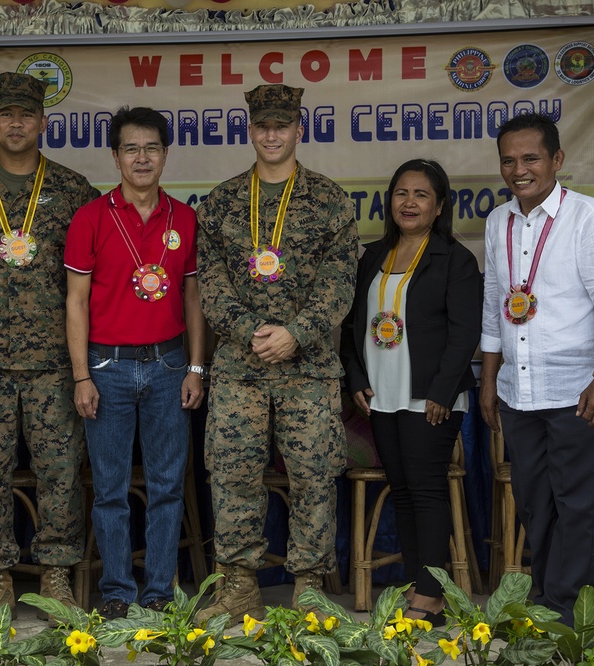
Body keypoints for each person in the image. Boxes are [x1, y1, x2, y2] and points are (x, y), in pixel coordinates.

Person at [0, 72, 100, 622]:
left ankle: (55, 576)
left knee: (61, 471)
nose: (15, 123)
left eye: (26, 115)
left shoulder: (76, 192)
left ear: (43, 123)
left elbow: (92, 282)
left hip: (56, 362)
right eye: (6, 114)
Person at [195, 84, 358, 622]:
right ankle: (239, 583)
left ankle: (308, 584)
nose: (271, 134)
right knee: (234, 473)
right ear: (250, 130)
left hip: (308, 368)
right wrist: (250, 331)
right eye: (262, 126)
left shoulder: (331, 201)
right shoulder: (220, 202)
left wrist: (296, 333)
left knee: (313, 475)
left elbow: (340, 285)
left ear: (299, 130)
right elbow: (211, 285)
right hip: (240, 368)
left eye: (281, 126)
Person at [479, 113, 594, 623]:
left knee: (574, 503)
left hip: (576, 392)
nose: (519, 170)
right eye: (508, 160)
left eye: (530, 158)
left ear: (557, 160)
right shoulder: (497, 222)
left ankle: (564, 613)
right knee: (534, 504)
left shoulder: (587, 217)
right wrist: (487, 379)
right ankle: (546, 600)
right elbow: (494, 304)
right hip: (518, 393)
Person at [65, 107, 206, 618]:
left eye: (151, 148)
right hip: (108, 368)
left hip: (170, 366)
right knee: (110, 490)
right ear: (115, 156)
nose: (142, 157)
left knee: (168, 486)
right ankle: (119, 593)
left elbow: (193, 298)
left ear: (166, 154)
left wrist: (196, 366)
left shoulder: (184, 217)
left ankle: (160, 593)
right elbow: (75, 302)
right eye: (131, 148)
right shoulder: (91, 218)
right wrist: (81, 375)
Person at [339, 159, 482, 626]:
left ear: (440, 205)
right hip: (380, 393)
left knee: (426, 491)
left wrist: (442, 390)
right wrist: (357, 378)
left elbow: (464, 334)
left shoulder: (455, 260)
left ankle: (431, 594)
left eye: (421, 195)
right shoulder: (372, 256)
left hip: (430, 397)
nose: (409, 202)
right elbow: (351, 326)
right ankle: (421, 582)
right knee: (401, 491)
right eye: (401, 193)